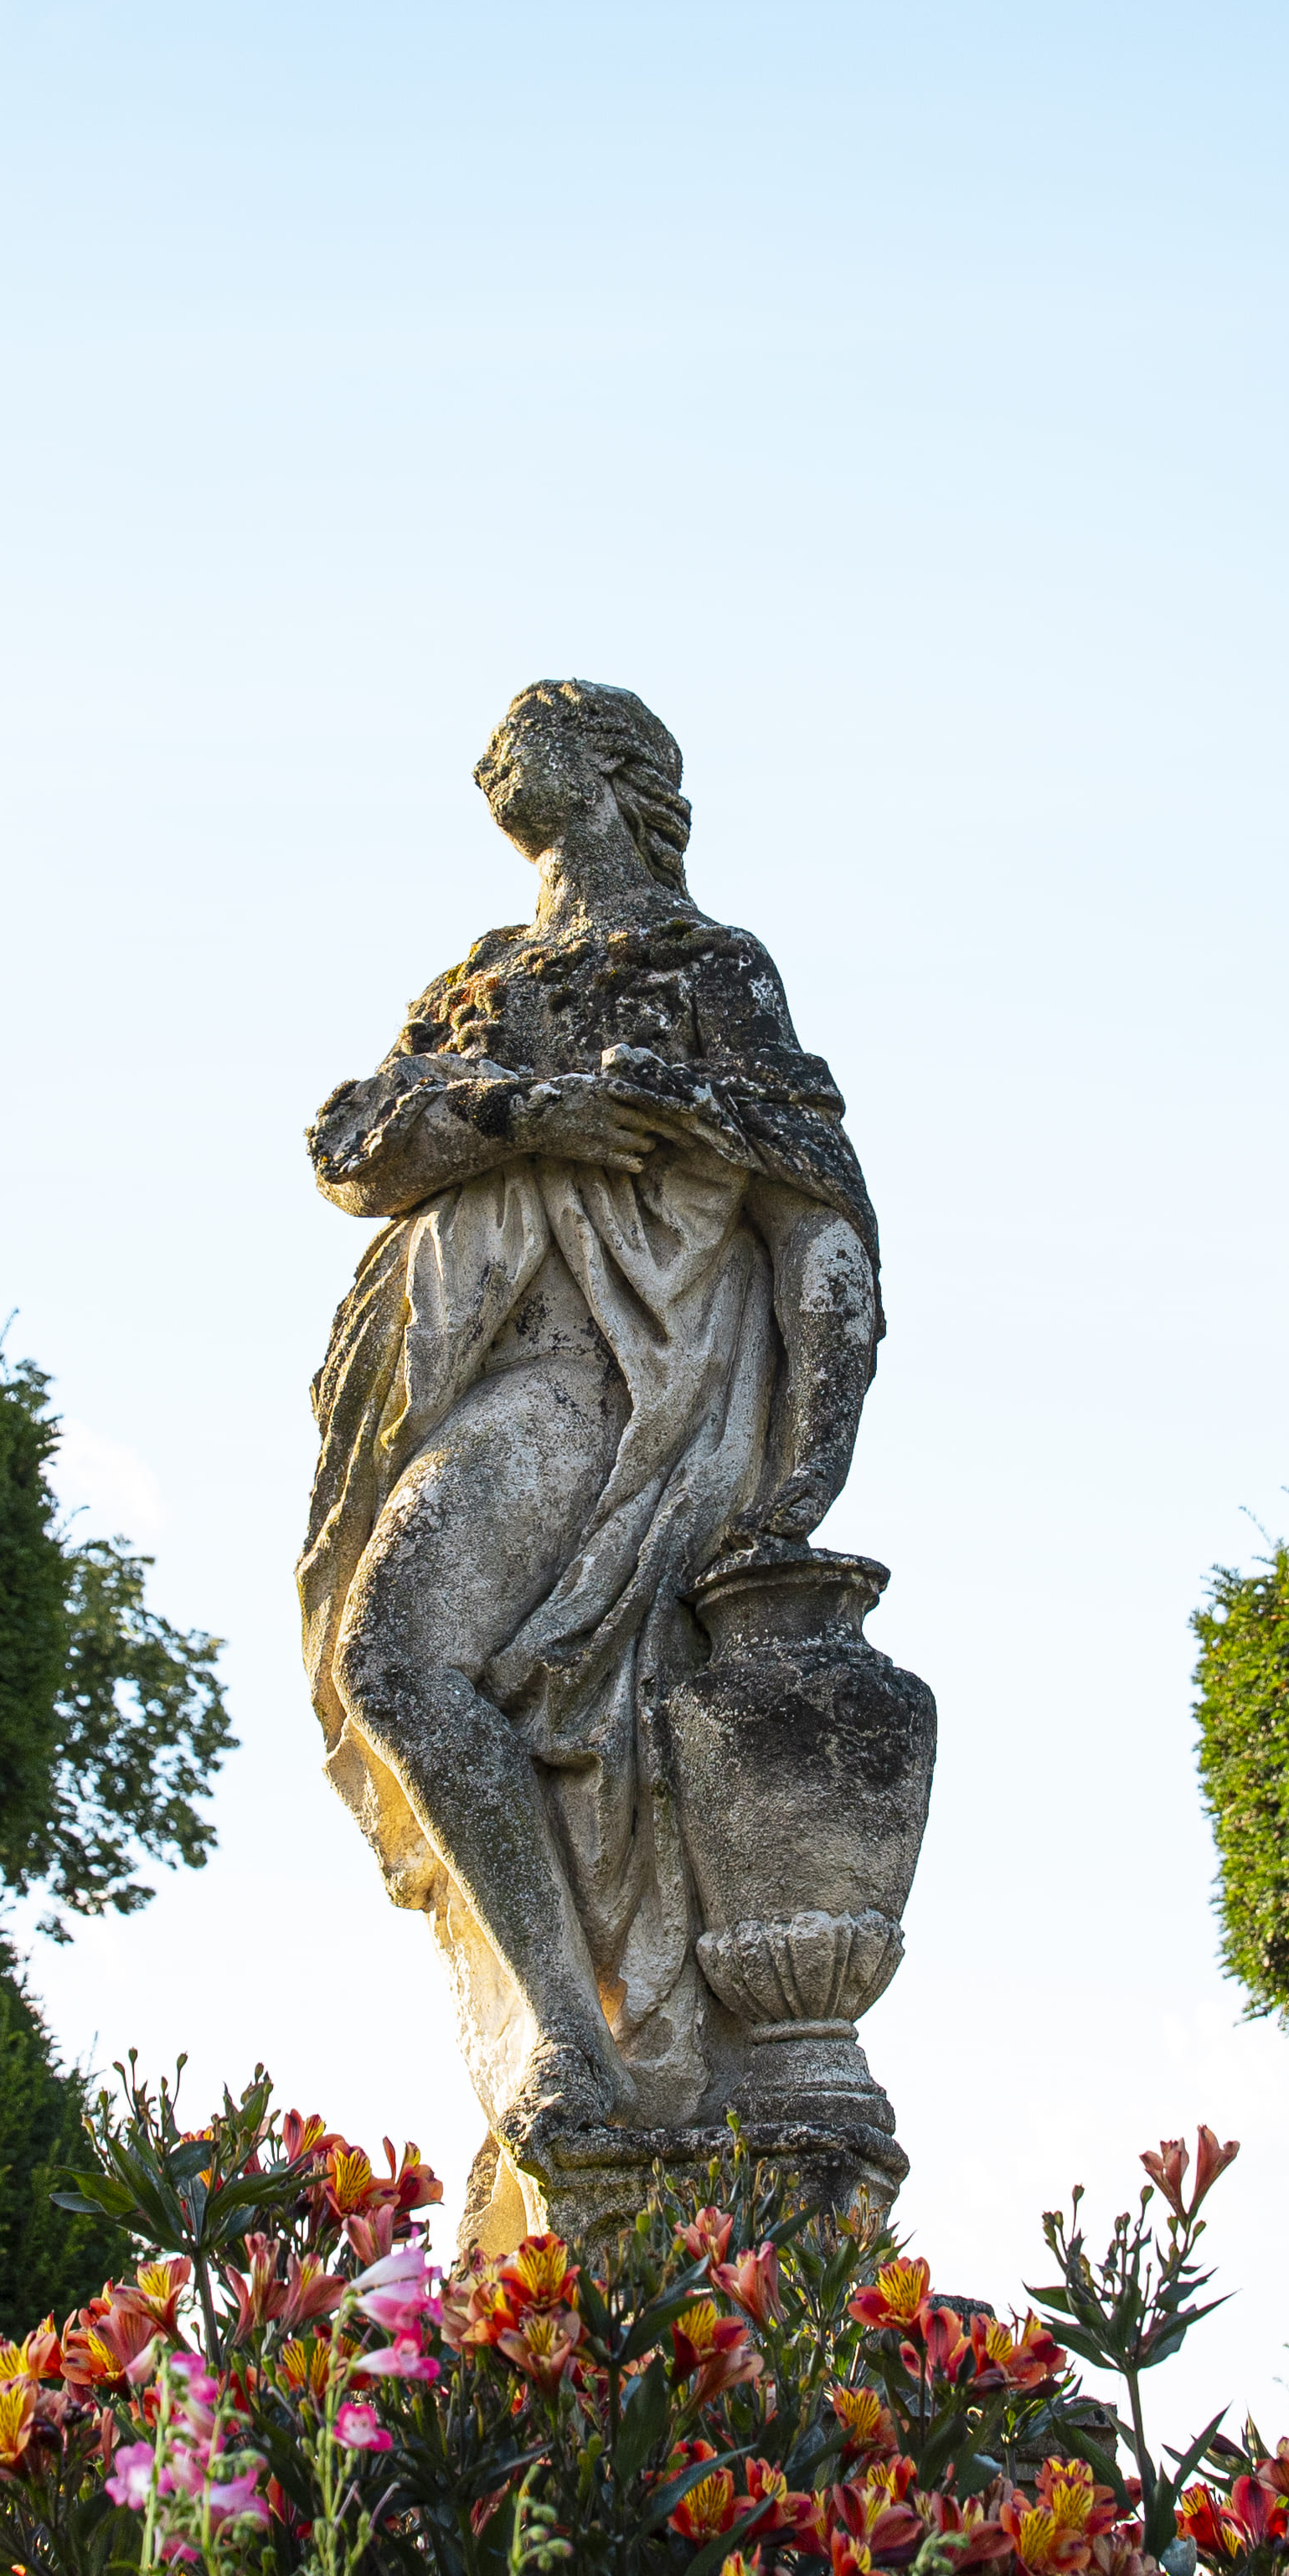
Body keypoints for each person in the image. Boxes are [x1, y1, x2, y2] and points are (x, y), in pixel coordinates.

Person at [298, 681, 882, 2179]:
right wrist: (541, 1113)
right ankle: (564, 2027)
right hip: (498, 1369)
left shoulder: (705, 969)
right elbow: (352, 1145)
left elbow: (816, 1210)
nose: (496, 748)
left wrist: (807, 1464)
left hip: (636, 1395)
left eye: (535, 724)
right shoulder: (478, 983)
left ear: (616, 770)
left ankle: (596, 2049)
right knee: (393, 1666)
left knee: (419, 1665)